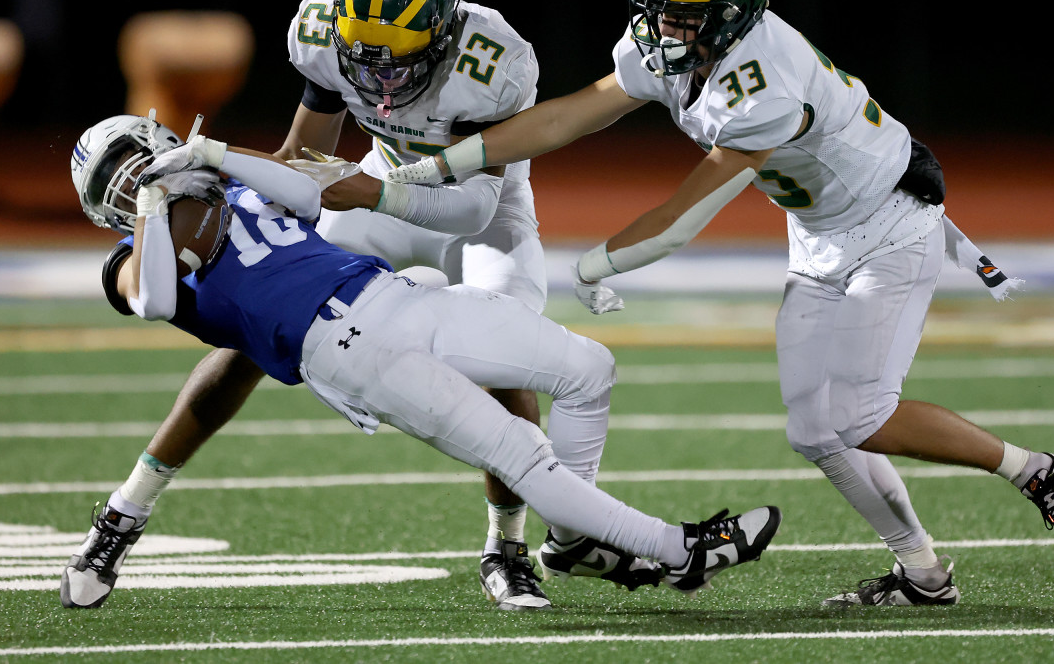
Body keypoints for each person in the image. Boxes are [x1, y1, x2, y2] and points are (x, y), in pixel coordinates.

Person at [385, 0, 1054, 606]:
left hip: (892, 224)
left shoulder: (763, 81)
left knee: (858, 413)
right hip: (819, 229)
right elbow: (570, 114)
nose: (666, 27)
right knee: (815, 430)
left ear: (735, 10)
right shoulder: (679, 47)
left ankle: (1036, 472)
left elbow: (680, 219)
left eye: (686, 14)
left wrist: (593, 265)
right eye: (658, 9)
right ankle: (922, 570)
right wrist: (438, 167)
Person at [68, 0, 604, 612]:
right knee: (256, 320)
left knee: (508, 362)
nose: (380, 82)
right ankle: (125, 513)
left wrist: (367, 192)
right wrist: (227, 174)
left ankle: (507, 546)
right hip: (375, 183)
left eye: (398, 61)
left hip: (475, 205)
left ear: (441, 37)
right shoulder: (321, 29)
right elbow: (304, 153)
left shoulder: (492, 59)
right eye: (364, 61)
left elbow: (472, 206)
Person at [59, 112, 782, 609]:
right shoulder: (131, 260)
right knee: (525, 456)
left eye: (137, 161)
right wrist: (153, 204)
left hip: (397, 297)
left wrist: (216, 157)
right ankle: (677, 548)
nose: (133, 178)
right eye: (116, 181)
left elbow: (307, 191)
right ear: (106, 211)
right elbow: (154, 297)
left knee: (590, 368)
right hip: (347, 350)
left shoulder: (238, 186)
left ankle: (571, 541)